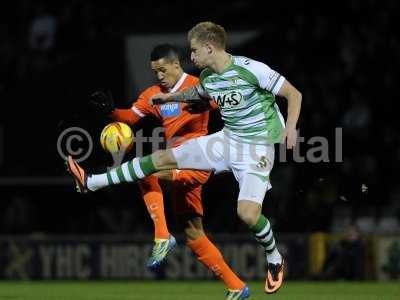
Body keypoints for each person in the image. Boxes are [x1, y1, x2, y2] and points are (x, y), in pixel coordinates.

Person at [67, 21, 302, 295]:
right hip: (226, 141)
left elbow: (293, 94)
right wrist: (166, 99)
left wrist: (291, 128)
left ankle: (274, 257)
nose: (191, 56)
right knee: (158, 160)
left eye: (193, 51)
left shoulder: (251, 69)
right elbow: (197, 93)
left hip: (257, 148)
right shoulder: (208, 78)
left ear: (209, 48)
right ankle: (92, 181)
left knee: (247, 214)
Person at [89, 44, 249, 299]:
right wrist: (112, 112)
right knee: (194, 234)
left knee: (145, 171)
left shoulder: (200, 85)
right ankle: (236, 287)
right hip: (176, 162)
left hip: (199, 161)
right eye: (155, 72)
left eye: (163, 70)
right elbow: (130, 117)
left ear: (177, 64)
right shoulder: (153, 94)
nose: (159, 76)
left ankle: (162, 236)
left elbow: (232, 105)